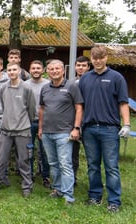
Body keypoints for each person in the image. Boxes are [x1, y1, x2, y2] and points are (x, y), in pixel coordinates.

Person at [79, 46, 130, 213]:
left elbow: (123, 102)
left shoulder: (117, 78)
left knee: (111, 166)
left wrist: (127, 124)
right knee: (93, 165)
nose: (98, 61)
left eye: (101, 58)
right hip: (89, 129)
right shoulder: (85, 78)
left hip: (109, 129)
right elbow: (80, 106)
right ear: (91, 59)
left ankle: (114, 201)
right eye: (95, 58)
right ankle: (95, 196)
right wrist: (78, 126)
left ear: (106, 58)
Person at [0, 62, 35, 197]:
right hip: (5, 130)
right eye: (10, 70)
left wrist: (24, 123)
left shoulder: (27, 88)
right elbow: (4, 106)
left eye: (14, 70)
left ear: (19, 71)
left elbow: (31, 110)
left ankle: (27, 187)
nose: (12, 72)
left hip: (22, 130)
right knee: (1, 159)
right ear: (7, 72)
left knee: (23, 160)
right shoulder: (3, 88)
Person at [38, 59, 83, 205]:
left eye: (57, 68)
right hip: (47, 132)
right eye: (51, 69)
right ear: (48, 71)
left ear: (63, 70)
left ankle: (68, 196)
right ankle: (57, 189)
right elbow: (42, 109)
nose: (54, 71)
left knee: (65, 164)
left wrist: (76, 128)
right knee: (53, 163)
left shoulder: (71, 86)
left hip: (64, 132)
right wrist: (40, 128)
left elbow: (79, 108)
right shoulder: (45, 88)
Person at [24, 60, 50, 188]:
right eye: (33, 68)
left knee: (45, 151)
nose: (35, 70)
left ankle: (46, 176)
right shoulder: (25, 85)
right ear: (29, 70)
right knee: (29, 150)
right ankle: (29, 175)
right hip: (28, 122)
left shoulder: (48, 84)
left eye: (38, 68)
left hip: (45, 123)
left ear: (43, 70)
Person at [72, 56, 90, 186]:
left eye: (84, 65)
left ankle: (94, 182)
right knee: (73, 153)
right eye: (78, 65)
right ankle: (72, 179)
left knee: (92, 155)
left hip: (89, 123)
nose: (81, 68)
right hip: (74, 123)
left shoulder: (93, 81)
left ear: (88, 67)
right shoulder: (71, 83)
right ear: (75, 67)